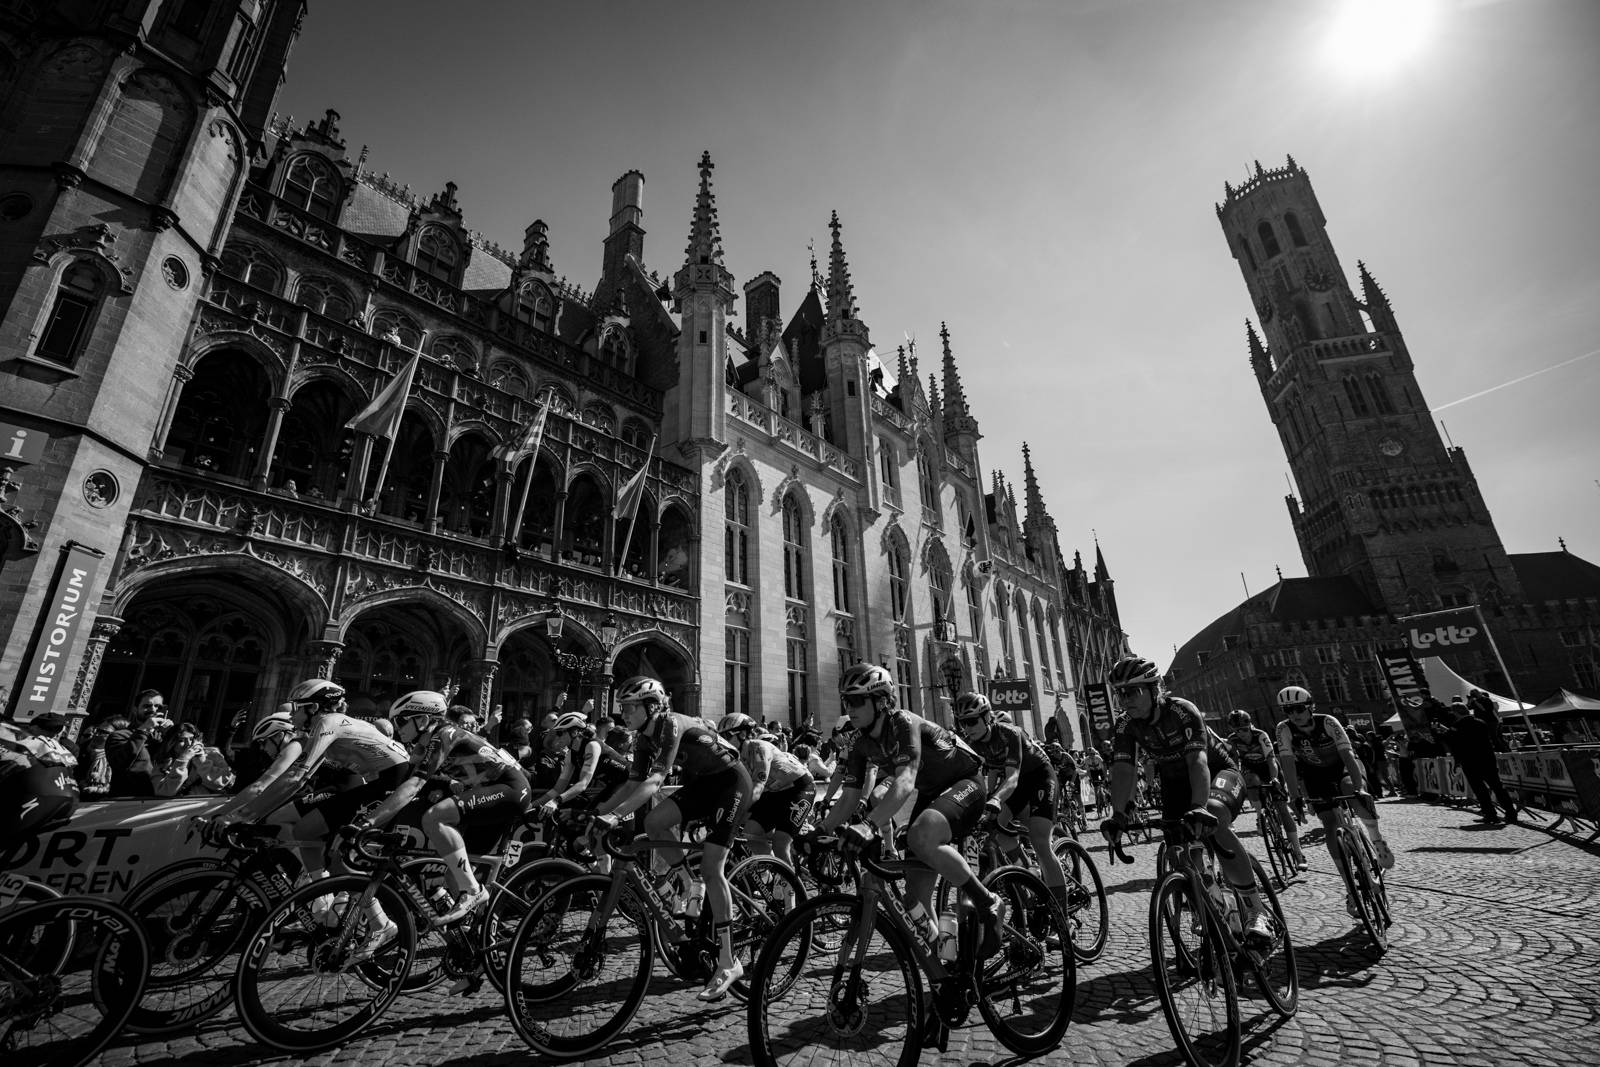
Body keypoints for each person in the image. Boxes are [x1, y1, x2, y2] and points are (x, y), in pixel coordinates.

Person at [208, 679, 411, 960]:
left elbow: (296, 777)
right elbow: (295, 780)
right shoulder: (322, 726)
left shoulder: (329, 721)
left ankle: (381, 923)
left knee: (338, 854)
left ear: (314, 707)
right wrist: (248, 814)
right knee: (305, 831)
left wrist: (240, 815)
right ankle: (325, 899)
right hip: (378, 781)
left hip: (392, 782)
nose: (292, 715)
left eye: (297, 708)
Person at [815, 664, 1002, 959]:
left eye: (857, 700)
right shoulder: (860, 743)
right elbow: (849, 797)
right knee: (914, 898)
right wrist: (820, 830)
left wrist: (869, 825)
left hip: (965, 782)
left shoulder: (902, 722)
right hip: (932, 793)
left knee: (921, 834)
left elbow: (905, 780)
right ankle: (945, 961)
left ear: (881, 701)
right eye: (846, 701)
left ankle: (988, 901)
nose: (849, 708)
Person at [590, 676, 753, 1002]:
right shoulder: (643, 739)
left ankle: (728, 961)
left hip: (732, 783)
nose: (624, 713)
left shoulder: (670, 724)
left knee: (713, 868)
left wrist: (615, 816)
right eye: (622, 707)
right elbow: (630, 785)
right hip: (704, 784)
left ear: (651, 706)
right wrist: (596, 812)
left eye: (630, 707)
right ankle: (689, 883)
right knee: (654, 823)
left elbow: (654, 781)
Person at [1100, 656, 1274, 947]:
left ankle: (1256, 909)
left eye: (1132, 692)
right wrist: (1119, 815)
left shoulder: (1181, 711)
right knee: (1176, 846)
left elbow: (1197, 761)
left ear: (1154, 690)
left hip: (1217, 771)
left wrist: (1199, 807)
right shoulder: (1125, 725)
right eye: (1120, 693)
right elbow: (1123, 769)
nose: (1125, 699)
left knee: (1214, 816)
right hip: (1175, 781)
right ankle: (1210, 905)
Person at [358, 690, 533, 929]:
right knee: (455, 874)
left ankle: (473, 892)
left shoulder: (444, 734)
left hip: (510, 789)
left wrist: (367, 823)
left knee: (435, 818)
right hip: (495, 792)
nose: (396, 726)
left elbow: (414, 785)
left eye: (400, 720)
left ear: (422, 720)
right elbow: (403, 782)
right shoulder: (424, 744)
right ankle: (475, 933)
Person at [1275, 685, 1396, 919]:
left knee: (1353, 793)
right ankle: (1350, 888)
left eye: (1298, 708)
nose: (1294, 714)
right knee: (1330, 824)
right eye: (1288, 710)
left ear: (1310, 707)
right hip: (1315, 775)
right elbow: (1287, 764)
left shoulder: (1328, 722)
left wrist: (1360, 789)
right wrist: (1295, 797)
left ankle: (1377, 840)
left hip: (1343, 768)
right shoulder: (1284, 729)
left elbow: (1347, 755)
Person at [954, 692, 1075, 916]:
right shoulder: (972, 744)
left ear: (987, 717)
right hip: (1017, 784)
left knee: (1039, 841)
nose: (967, 727)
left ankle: (1061, 916)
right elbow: (971, 777)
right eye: (962, 722)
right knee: (996, 829)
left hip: (1039, 775)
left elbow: (1012, 777)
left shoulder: (1009, 733)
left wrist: (995, 798)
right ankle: (1028, 872)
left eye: (971, 721)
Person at [718, 713, 814, 873]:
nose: (723, 741)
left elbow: (757, 790)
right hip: (775, 794)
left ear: (743, 734)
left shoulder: (759, 749)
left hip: (799, 788)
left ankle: (792, 886)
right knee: (750, 834)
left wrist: (732, 814)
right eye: (721, 737)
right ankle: (775, 874)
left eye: (726, 736)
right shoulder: (737, 757)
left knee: (780, 843)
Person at [1225, 710, 1306, 871]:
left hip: (1269, 769)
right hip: (1251, 770)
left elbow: (1271, 759)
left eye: (1244, 729)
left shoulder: (1260, 735)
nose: (1241, 734)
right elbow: (1234, 761)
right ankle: (1259, 816)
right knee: (1250, 781)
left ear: (1250, 726)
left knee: (1282, 809)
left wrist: (1274, 779)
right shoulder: (1232, 740)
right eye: (1237, 731)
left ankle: (1298, 853)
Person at [533, 710, 630, 821]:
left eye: (560, 733)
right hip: (610, 783)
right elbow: (557, 789)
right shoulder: (571, 754)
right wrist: (531, 805)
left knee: (593, 819)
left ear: (574, 732)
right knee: (578, 820)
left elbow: (583, 784)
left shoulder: (592, 746)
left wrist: (556, 801)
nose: (557, 738)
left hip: (627, 782)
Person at [0, 716, 79, 850]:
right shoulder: (50, 743)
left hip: (38, 792)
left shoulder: (15, 736)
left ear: (34, 727)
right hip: (67, 791)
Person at [1432, 706, 1517, 823]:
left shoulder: (1458, 725)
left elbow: (1451, 740)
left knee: (1480, 789)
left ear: (1456, 713)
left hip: (1470, 760)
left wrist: (1437, 732)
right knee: (1497, 786)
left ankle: (1490, 814)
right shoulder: (1480, 722)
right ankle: (1511, 813)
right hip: (1487, 758)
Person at [106, 691, 172, 796]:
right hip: (127, 799)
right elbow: (119, 763)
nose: (153, 710)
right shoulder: (120, 735)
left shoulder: (161, 737)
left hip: (158, 799)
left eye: (157, 706)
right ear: (135, 710)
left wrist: (171, 736)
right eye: (147, 706)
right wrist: (144, 729)